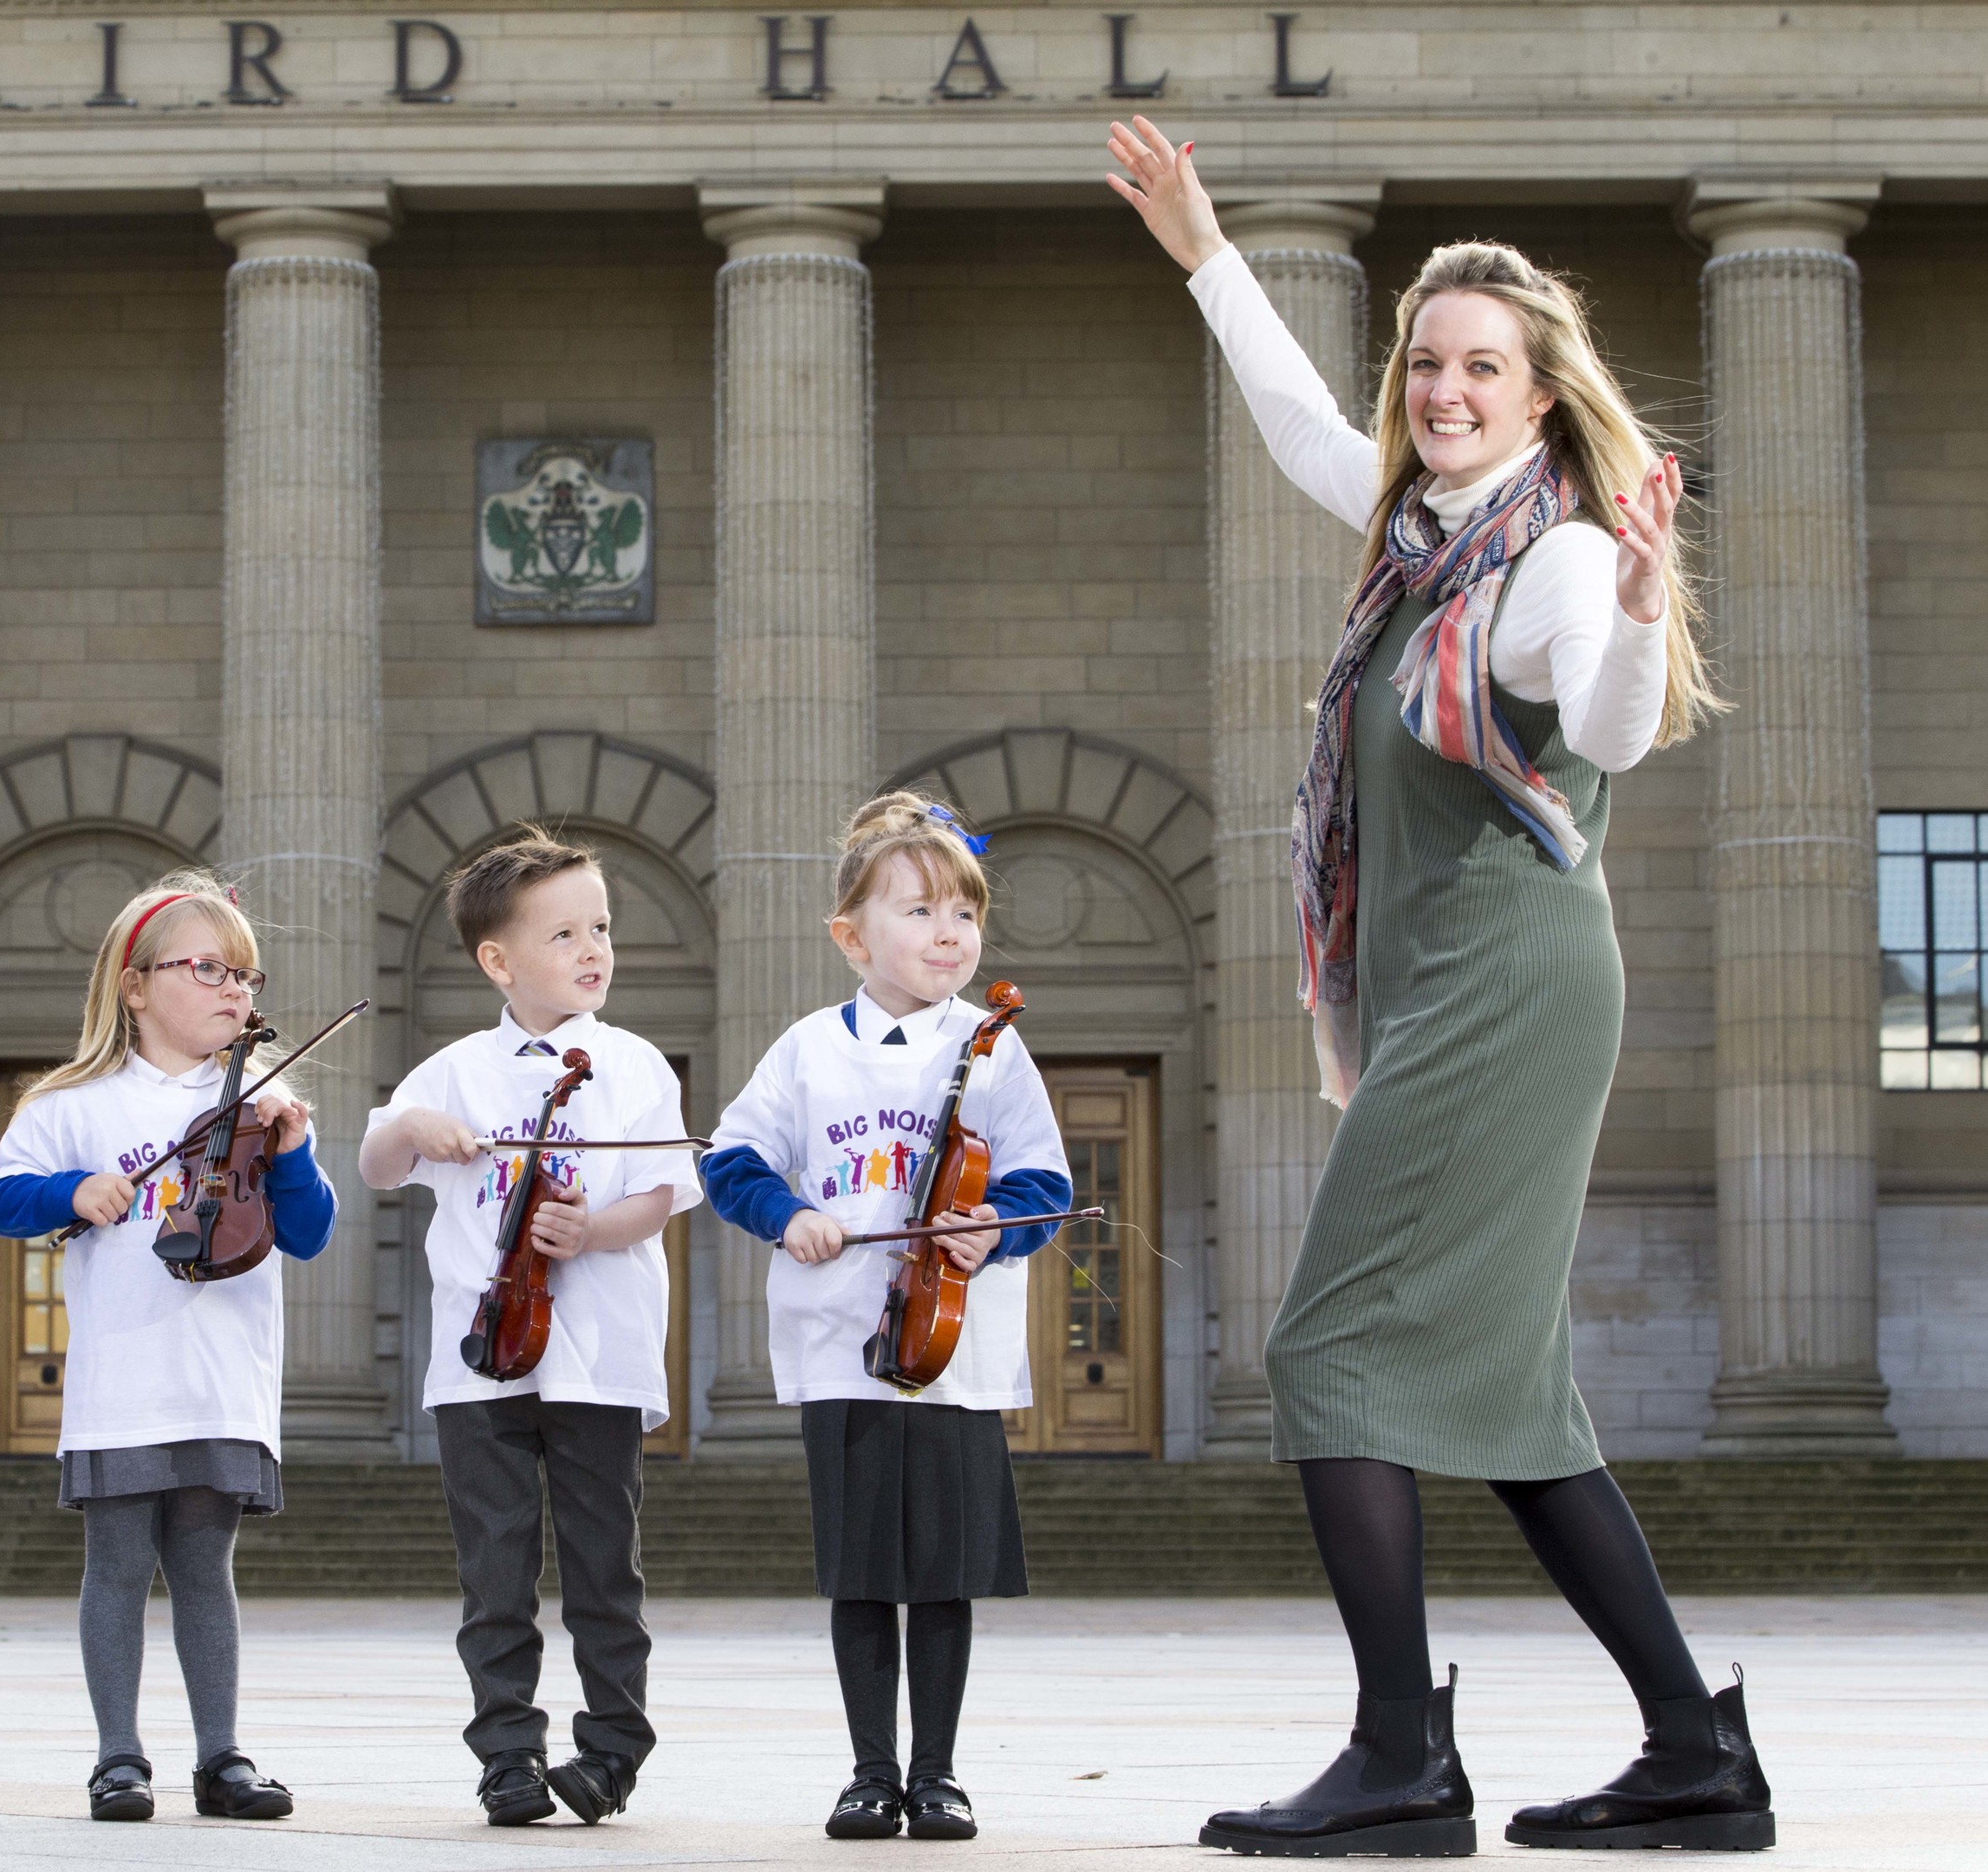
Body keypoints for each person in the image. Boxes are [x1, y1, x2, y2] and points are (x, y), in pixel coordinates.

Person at [1106, 118, 1772, 1856]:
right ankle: (1694, 1754)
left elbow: (1609, 729)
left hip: (1506, 973)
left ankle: (1397, 1758)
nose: (1444, 390)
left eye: (1482, 367)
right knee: (1511, 1401)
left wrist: (1635, 603)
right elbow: (1293, 423)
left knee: (1327, 1346)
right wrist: (1201, 247)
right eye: (1427, 363)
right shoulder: (1414, 533)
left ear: (1540, 395)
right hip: (1441, 983)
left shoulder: (1549, 562)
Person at [702, 794, 1071, 1845]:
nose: (947, 932)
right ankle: (869, 1772)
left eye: (963, 911)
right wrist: (793, 1215)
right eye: (917, 912)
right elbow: (732, 1163)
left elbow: (1043, 1181)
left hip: (953, 1349)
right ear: (850, 935)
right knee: (863, 1571)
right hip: (843, 1347)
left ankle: (939, 1774)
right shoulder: (809, 1049)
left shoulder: (994, 1047)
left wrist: (991, 1229)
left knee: (944, 1574)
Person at [360, 830, 702, 1829]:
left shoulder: (634, 1067)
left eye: (600, 927)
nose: (593, 948)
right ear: (498, 961)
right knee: (495, 1572)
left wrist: (591, 1228)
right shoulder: (454, 1071)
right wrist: (411, 1128)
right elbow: (381, 1165)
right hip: (482, 1362)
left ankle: (612, 1748)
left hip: (600, 1355)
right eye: (564, 934)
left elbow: (658, 1197)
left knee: (605, 1565)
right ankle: (506, 1750)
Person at [0, 870, 336, 1824]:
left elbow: (308, 1234)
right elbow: (2, 1200)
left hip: (223, 1379)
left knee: (204, 1566)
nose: (237, 991)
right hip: (124, 1377)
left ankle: (221, 1756)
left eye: (247, 976)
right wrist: (73, 1193)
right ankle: (117, 1757)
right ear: (135, 986)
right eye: (211, 969)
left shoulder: (265, 1111)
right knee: (117, 1565)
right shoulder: (74, 1104)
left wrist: (295, 1156)